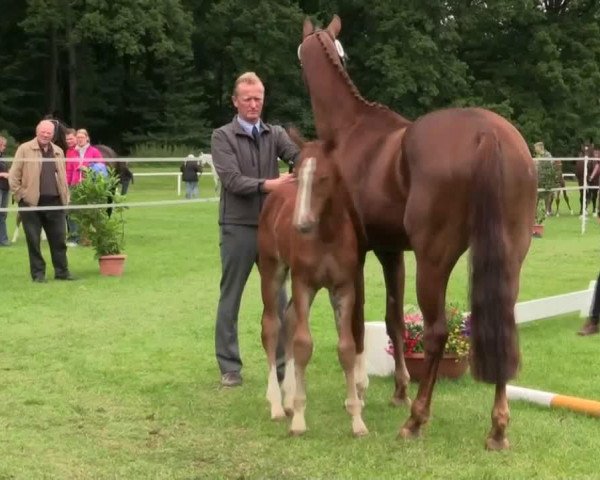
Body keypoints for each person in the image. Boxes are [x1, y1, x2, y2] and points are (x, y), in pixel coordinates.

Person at [212, 71, 299, 387]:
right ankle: (229, 365)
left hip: (274, 230)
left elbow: (299, 155)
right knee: (231, 297)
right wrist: (272, 185)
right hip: (238, 227)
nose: (253, 104)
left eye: (258, 98)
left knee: (278, 299)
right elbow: (232, 180)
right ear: (235, 101)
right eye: (247, 99)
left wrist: (305, 164)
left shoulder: (274, 133)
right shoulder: (222, 136)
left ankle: (280, 365)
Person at [8, 119, 74, 282]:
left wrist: (65, 196)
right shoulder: (25, 149)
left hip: (55, 203)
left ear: (53, 135)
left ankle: (62, 272)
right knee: (34, 242)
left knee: (59, 240)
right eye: (43, 132)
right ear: (37, 132)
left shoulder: (58, 150)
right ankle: (38, 275)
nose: (46, 135)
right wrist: (21, 195)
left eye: (49, 133)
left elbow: (62, 177)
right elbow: (14, 176)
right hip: (31, 204)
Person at [534, 141, 558, 216]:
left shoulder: (548, 155)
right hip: (539, 178)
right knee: (537, 194)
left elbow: (551, 164)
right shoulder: (538, 156)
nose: (535, 149)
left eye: (536, 147)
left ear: (540, 147)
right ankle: (535, 211)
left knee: (547, 195)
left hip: (546, 178)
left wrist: (539, 164)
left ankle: (547, 211)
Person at [0, 135, 10, 246]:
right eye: (3, 145)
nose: (4, 147)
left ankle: (3, 240)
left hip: (5, 188)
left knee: (3, 214)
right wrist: (3, 174)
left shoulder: (2, 157)